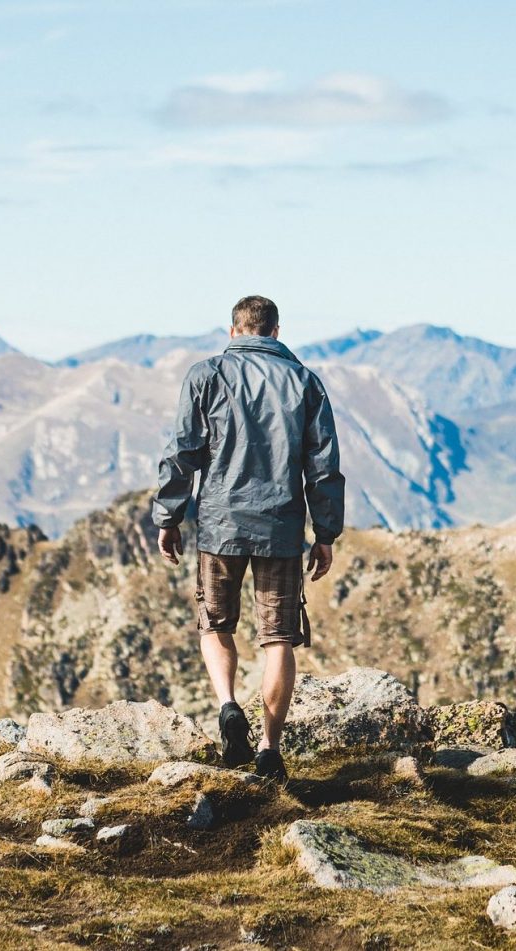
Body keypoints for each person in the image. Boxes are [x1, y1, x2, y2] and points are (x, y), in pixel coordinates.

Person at [152, 295, 345, 781]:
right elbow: (322, 468)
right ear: (276, 332)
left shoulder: (206, 375)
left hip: (219, 525)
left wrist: (169, 516)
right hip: (281, 527)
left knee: (215, 623)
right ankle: (268, 747)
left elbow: (183, 452)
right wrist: (325, 534)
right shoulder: (305, 382)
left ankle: (228, 704)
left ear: (233, 330)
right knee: (278, 637)